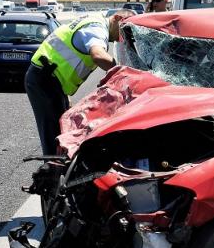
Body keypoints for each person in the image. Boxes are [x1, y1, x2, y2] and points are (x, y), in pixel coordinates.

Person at [25, 9, 135, 155]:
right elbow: (98, 55)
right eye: (124, 31)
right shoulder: (97, 28)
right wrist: (128, 73)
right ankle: (52, 172)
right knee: (53, 135)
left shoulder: (95, 18)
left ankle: (58, 168)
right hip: (45, 79)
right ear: (117, 18)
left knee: (62, 130)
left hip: (50, 79)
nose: (122, 38)